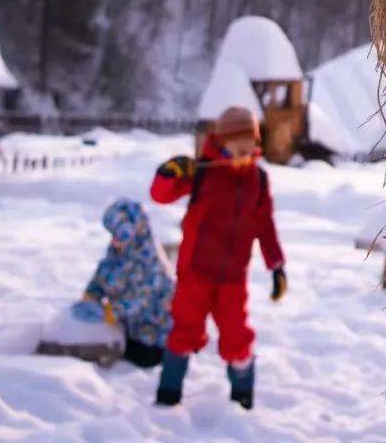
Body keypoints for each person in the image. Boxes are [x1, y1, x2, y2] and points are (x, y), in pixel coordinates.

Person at [150, 105, 286, 409]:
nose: (245, 149)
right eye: (238, 144)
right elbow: (160, 195)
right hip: (195, 273)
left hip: (233, 278)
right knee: (184, 330)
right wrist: (167, 173)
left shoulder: (258, 180)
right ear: (222, 143)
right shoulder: (201, 173)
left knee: (238, 337)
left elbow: (265, 225)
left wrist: (276, 265)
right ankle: (168, 394)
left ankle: (242, 399)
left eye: (250, 143)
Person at [72, 197, 174, 367]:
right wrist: (92, 293)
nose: (113, 241)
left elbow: (136, 301)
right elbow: (104, 273)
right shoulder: (120, 251)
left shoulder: (149, 264)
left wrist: (107, 312)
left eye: (118, 236)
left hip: (151, 344)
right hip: (126, 331)